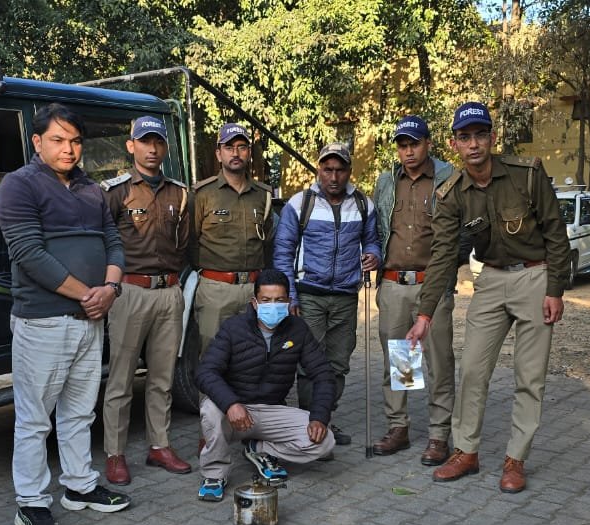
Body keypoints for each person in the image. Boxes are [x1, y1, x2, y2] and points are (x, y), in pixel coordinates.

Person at [406, 101, 569, 493]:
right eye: (465, 137)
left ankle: (516, 459)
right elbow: (443, 255)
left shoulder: (526, 174)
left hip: (534, 276)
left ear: (492, 138)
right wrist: (425, 314)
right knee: (473, 370)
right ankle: (466, 451)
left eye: (480, 135)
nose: (474, 144)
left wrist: (555, 289)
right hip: (491, 280)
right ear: (454, 144)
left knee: (529, 377)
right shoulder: (452, 194)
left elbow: (556, 232)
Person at [0, 104, 131, 525]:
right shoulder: (18, 185)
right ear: (37, 142)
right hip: (44, 322)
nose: (69, 149)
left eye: (75, 141)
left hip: (90, 319)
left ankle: (79, 485)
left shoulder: (92, 189)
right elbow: (29, 254)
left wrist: (110, 288)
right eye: (58, 140)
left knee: (79, 412)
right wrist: (90, 294)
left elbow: (113, 240)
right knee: (35, 420)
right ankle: (31, 502)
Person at [98, 116, 193, 485]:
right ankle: (115, 453)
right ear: (131, 145)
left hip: (169, 293)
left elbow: (184, 243)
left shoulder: (180, 193)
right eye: (144, 141)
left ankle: (159, 445)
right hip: (130, 292)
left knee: (162, 377)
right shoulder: (115, 192)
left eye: (158, 142)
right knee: (121, 379)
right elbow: (102, 243)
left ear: (165, 147)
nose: (152, 149)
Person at [194, 269, 337, 501]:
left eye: (279, 300)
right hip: (235, 412)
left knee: (325, 441)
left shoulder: (298, 329)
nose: (273, 306)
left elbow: (323, 374)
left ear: (288, 301)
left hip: (272, 411)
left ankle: (259, 449)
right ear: (255, 302)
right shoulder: (234, 328)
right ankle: (214, 474)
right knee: (210, 409)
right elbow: (205, 372)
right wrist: (231, 404)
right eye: (266, 300)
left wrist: (319, 417)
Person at [273, 142, 381, 445]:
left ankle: (324, 420)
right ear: (319, 169)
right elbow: (283, 252)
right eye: (327, 169)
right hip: (309, 295)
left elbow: (372, 240)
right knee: (309, 362)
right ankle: (306, 423)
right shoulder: (300, 203)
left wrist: (374, 255)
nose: (334, 177)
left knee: (338, 363)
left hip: (346, 296)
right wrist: (290, 296)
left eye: (340, 170)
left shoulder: (363, 204)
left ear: (349, 171)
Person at [370, 115, 457, 466]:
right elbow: (376, 228)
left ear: (428, 144)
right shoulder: (387, 181)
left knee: (438, 362)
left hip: (431, 285)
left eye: (414, 144)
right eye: (402, 145)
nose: (408, 151)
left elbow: (460, 235)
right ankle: (399, 427)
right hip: (394, 284)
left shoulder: (447, 179)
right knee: (400, 360)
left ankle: (439, 435)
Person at [190, 123, 274, 355]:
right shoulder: (202, 194)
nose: (235, 153)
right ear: (219, 154)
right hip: (216, 290)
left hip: (253, 290)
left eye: (241, 147)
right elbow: (190, 242)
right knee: (213, 356)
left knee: (253, 356)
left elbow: (267, 243)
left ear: (249, 153)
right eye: (229, 147)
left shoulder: (263, 195)